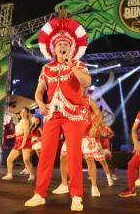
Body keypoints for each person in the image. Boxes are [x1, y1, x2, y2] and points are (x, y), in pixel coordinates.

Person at [25, 17, 90, 211]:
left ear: (71, 48)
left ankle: (77, 195)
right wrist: (40, 103)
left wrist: (70, 64)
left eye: (65, 44)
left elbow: (87, 82)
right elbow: (38, 91)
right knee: (46, 154)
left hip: (74, 116)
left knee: (74, 155)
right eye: (59, 44)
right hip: (52, 115)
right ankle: (39, 194)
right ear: (53, 48)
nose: (62, 46)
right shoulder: (47, 68)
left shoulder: (78, 65)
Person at [53, 97, 113, 197]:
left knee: (90, 160)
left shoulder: (88, 100)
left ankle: (94, 186)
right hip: (71, 134)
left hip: (87, 136)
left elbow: (99, 115)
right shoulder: (66, 97)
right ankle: (64, 185)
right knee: (63, 157)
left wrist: (96, 127)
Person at [1, 107, 34, 181]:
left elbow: (26, 133)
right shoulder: (20, 121)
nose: (22, 113)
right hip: (18, 141)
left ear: (28, 113)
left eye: (25, 111)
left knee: (26, 160)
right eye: (22, 111)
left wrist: (23, 144)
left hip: (25, 140)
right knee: (9, 159)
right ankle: (9, 174)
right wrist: (12, 135)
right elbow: (19, 132)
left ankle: (31, 174)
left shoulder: (25, 121)